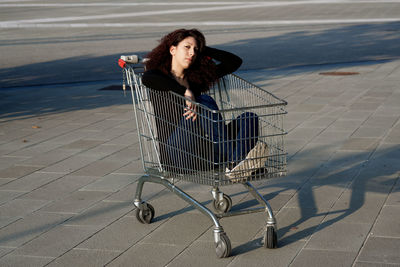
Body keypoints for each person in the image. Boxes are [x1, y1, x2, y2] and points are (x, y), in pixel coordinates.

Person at [141, 29, 267, 179]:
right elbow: (147, 78)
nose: (192, 53)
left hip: (204, 153)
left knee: (249, 117)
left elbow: (234, 62)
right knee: (203, 101)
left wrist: (203, 48)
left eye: (195, 49)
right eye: (187, 47)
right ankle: (239, 163)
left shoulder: (195, 81)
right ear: (172, 49)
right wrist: (184, 91)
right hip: (177, 155)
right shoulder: (160, 76)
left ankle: (236, 164)